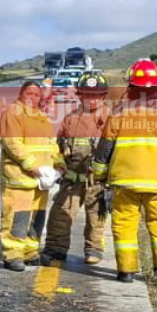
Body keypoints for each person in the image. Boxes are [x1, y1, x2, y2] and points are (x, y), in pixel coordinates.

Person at [93, 60, 157, 284]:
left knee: (125, 224)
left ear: (131, 87)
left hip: (124, 183)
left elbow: (104, 150)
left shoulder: (118, 113)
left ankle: (126, 271)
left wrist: (99, 175)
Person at [42, 71, 111, 266]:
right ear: (79, 96)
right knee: (59, 215)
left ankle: (94, 250)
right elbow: (58, 146)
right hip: (71, 180)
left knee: (96, 217)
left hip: (97, 181)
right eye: (86, 94)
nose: (91, 99)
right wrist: (59, 165)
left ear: (103, 96)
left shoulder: (110, 119)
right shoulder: (71, 119)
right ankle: (55, 250)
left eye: (96, 95)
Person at [0, 79, 61, 271]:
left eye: (36, 95)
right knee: (17, 218)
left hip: (41, 180)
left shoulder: (40, 117)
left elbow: (51, 144)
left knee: (36, 218)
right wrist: (32, 166)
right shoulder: (13, 114)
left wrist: (59, 163)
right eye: (29, 94)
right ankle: (13, 255)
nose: (32, 98)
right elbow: (12, 143)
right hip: (20, 178)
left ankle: (30, 252)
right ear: (20, 94)